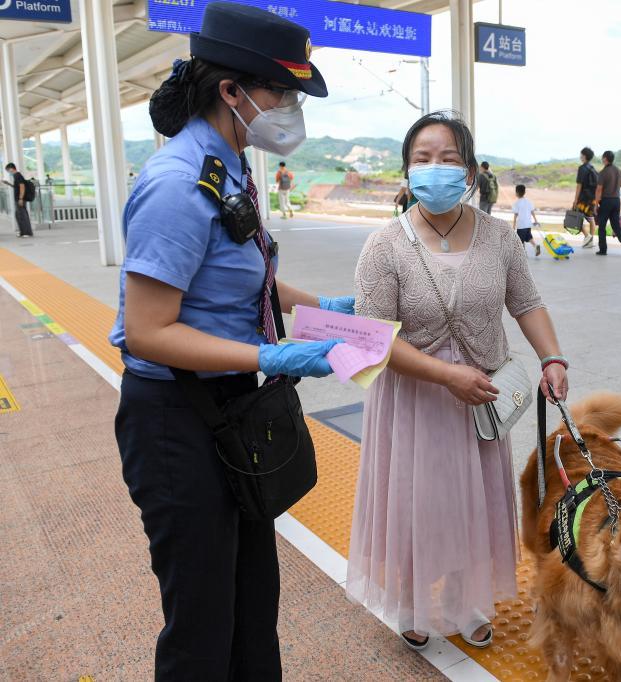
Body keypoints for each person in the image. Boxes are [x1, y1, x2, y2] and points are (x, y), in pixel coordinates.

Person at [107, 4, 354, 678]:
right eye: (282, 94)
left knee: (251, 602)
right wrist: (270, 355)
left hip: (230, 408)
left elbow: (243, 279)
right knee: (203, 620)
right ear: (231, 91)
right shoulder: (176, 185)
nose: (290, 111)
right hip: (176, 423)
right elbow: (148, 332)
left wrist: (326, 310)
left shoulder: (228, 165)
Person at [348, 111, 569, 652]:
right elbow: (373, 337)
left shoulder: (499, 238)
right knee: (417, 503)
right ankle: (412, 602)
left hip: (481, 399)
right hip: (415, 397)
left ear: (469, 171)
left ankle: (466, 601)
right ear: (407, 171)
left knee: (474, 503)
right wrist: (446, 374)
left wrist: (553, 358)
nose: (435, 168)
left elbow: (527, 303)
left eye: (448, 158)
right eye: (422, 159)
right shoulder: (384, 245)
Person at [594, 150, 621, 256]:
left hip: (606, 201)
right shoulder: (618, 171)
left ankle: (603, 249)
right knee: (616, 226)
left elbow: (599, 190)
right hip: (616, 201)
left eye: (602, 157)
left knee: (602, 226)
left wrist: (596, 204)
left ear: (605, 159)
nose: (602, 159)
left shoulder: (603, 172)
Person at [572, 147, 598, 247]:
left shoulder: (582, 168)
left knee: (576, 218)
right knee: (591, 218)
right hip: (592, 199)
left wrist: (575, 200)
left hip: (583, 199)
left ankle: (587, 237)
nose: (580, 156)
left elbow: (579, 185)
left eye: (581, 155)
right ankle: (590, 240)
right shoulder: (592, 168)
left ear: (584, 156)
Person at [4, 163, 33, 238]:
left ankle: (27, 233)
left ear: (11, 168)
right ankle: (23, 232)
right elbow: (17, 187)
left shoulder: (17, 175)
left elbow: (22, 187)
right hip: (18, 199)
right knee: (19, 216)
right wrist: (8, 184)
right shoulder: (16, 176)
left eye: (8, 170)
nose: (8, 172)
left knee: (22, 216)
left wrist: (21, 198)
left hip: (20, 199)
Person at [512, 183, 541, 257]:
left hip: (521, 225)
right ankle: (535, 246)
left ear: (516, 193)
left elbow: (515, 215)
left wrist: (514, 225)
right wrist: (536, 221)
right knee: (528, 237)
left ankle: (523, 253)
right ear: (524, 192)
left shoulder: (516, 203)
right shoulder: (528, 201)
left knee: (520, 240)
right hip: (528, 224)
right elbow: (532, 212)